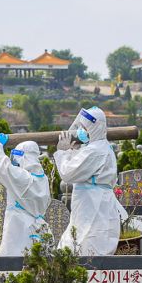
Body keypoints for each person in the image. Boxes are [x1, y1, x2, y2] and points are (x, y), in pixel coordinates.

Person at [55, 106, 125, 255]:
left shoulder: (94, 151)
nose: (80, 130)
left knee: (86, 241)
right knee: (83, 238)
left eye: (84, 127)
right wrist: (73, 152)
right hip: (93, 201)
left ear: (93, 128)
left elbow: (67, 174)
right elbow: (81, 167)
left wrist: (62, 152)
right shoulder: (99, 147)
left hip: (92, 203)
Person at [0, 134, 51, 255]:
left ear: (23, 156)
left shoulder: (23, 178)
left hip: (18, 228)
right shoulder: (43, 179)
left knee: (14, 267)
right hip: (37, 229)